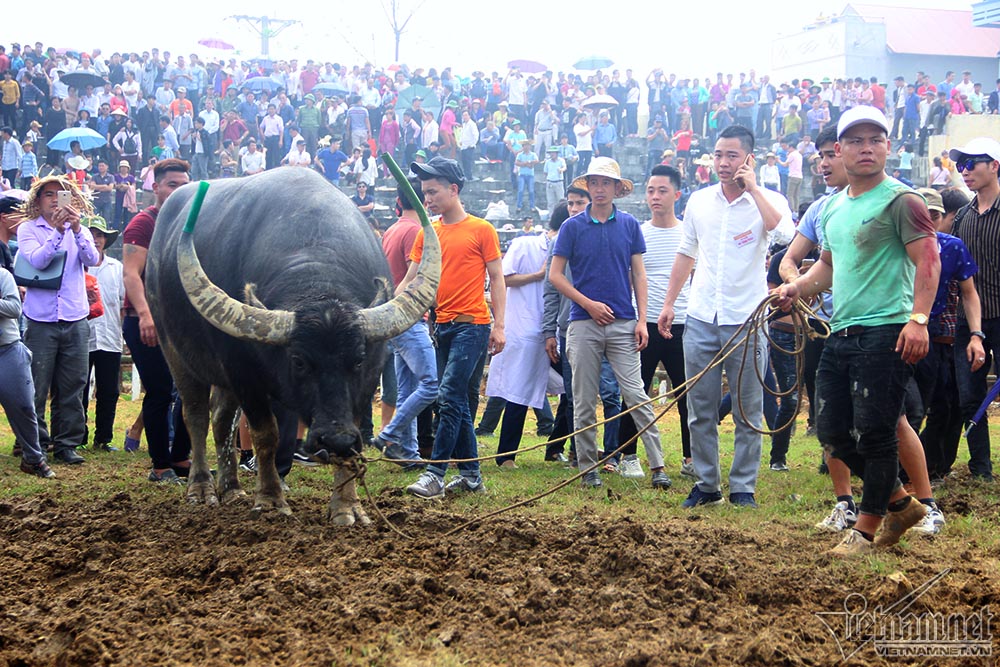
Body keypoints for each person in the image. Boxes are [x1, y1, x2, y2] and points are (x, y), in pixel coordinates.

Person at [775, 106, 939, 556]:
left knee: (875, 432)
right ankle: (900, 503)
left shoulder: (902, 200)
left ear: (888, 147)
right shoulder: (833, 207)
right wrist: (796, 288)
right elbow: (828, 267)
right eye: (855, 141)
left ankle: (865, 532)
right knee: (831, 429)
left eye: (875, 140)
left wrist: (919, 319)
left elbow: (928, 259)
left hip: (887, 330)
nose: (866, 149)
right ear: (839, 150)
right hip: (842, 330)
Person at [659, 124, 794, 508]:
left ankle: (743, 487)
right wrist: (669, 303)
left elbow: (784, 235)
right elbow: (686, 253)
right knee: (699, 408)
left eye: (732, 156)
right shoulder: (700, 201)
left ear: (748, 159)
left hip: (746, 318)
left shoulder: (769, 200)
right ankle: (707, 485)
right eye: (718, 155)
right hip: (701, 314)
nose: (723, 163)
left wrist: (754, 189)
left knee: (747, 408)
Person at [549, 158, 671, 490]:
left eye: (606, 183)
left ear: (617, 188)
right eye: (594, 182)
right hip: (582, 322)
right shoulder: (572, 226)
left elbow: (639, 274)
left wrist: (642, 319)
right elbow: (555, 275)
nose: (599, 189)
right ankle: (588, 467)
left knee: (635, 394)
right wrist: (587, 303)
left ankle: (658, 465)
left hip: (623, 321)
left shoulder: (629, 225)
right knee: (583, 399)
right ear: (588, 186)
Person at [402, 156, 506, 499]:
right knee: (456, 401)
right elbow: (411, 280)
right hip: (441, 327)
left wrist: (500, 325)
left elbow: (497, 278)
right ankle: (472, 476)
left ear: (454, 190)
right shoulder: (427, 233)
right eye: (424, 193)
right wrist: (389, 308)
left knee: (447, 397)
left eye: (433, 192)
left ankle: (435, 473)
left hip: (472, 326)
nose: (427, 199)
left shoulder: (481, 229)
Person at [16, 176, 100, 465]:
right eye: (48, 194)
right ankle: (35, 443)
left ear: (72, 200)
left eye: (61, 194)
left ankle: (67, 444)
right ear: (37, 201)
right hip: (40, 319)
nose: (54, 199)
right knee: (36, 385)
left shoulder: (82, 230)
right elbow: (38, 260)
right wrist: (57, 232)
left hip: (75, 316)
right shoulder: (28, 229)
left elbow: (92, 259)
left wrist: (75, 229)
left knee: (73, 384)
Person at [616, 165, 693, 479]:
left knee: (687, 393)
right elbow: (630, 278)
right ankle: (628, 455)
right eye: (650, 191)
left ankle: (691, 458)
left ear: (677, 194)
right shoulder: (638, 232)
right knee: (636, 391)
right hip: (644, 323)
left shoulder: (689, 233)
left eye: (662, 191)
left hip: (682, 322)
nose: (655, 197)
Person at [122, 158, 193, 483]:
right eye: (172, 185)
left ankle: (180, 457)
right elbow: (131, 274)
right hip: (145, 320)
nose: (178, 190)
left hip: (178, 323)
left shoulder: (188, 223)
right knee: (160, 391)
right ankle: (160, 465)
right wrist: (145, 315)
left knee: (190, 391)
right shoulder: (143, 223)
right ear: (156, 187)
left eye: (184, 185)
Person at [374, 177, 436, 469]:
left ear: (399, 201)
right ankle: (390, 435)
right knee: (430, 383)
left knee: (407, 388)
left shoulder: (392, 230)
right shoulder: (415, 232)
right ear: (424, 201)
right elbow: (416, 278)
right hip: (409, 317)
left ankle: (409, 453)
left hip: (395, 319)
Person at [949, 137, 1000, 482]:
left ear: (994, 166)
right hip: (969, 321)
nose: (965, 172)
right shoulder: (963, 217)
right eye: (960, 166)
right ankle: (981, 468)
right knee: (970, 395)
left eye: (972, 164)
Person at [1, 260, 55, 478]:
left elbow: (15, 308)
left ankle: (33, 459)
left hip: (7, 348)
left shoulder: (3, 276)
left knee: (24, 405)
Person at [83, 215, 124, 451]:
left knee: (109, 391)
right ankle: (77, 436)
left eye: (99, 235)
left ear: (106, 240)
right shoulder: (76, 267)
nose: (96, 240)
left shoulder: (116, 268)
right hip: (81, 337)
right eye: (91, 235)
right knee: (79, 389)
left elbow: (122, 303)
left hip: (110, 336)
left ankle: (103, 438)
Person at [514, 139, 538, 213]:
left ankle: (532, 206)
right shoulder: (520, 155)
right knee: (520, 190)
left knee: (531, 191)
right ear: (523, 146)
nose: (526, 147)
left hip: (530, 175)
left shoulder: (533, 154)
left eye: (528, 145)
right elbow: (516, 162)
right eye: (525, 145)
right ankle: (519, 206)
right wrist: (524, 164)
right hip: (522, 175)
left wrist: (530, 162)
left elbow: (537, 161)